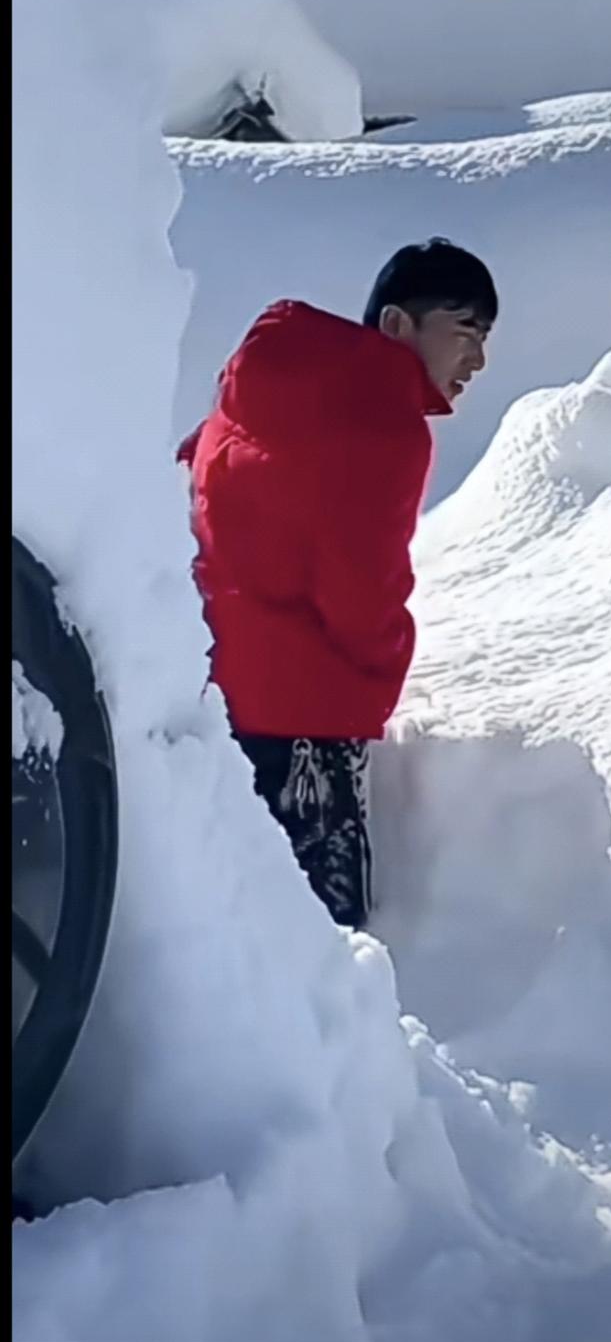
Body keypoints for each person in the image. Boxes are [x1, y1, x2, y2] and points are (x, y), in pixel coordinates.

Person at [178, 239, 497, 928]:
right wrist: (382, 668)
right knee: (325, 936)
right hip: (307, 719)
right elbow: (361, 593)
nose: (478, 359)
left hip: (213, 689)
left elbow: (193, 464)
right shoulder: (385, 427)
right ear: (397, 324)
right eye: (465, 329)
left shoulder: (261, 375)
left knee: (230, 923)